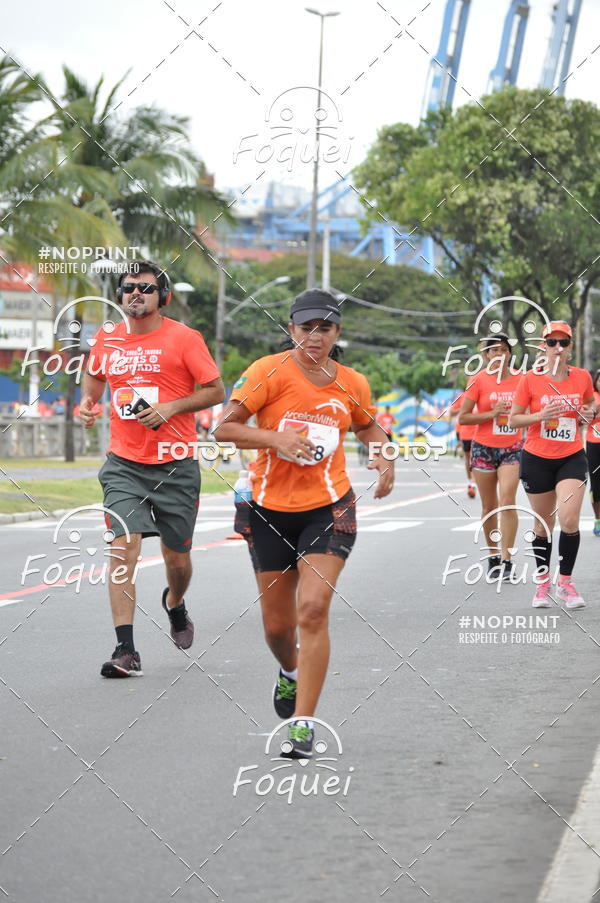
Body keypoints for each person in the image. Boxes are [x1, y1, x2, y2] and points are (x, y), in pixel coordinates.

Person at [213, 289, 394, 758]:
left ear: (338, 332)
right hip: (269, 508)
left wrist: (383, 454)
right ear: (291, 329)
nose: (316, 336)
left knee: (312, 610)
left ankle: (303, 724)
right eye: (306, 327)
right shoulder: (266, 372)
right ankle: (290, 670)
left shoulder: (352, 382)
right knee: (277, 628)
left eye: (326, 328)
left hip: (328, 507)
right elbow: (226, 428)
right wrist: (276, 439)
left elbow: (366, 424)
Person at [79, 260, 224, 677]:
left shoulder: (185, 338)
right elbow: (93, 381)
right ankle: (126, 649)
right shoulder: (107, 339)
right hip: (124, 464)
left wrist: (170, 408)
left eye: (145, 287)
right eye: (127, 288)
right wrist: (86, 406)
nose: (135, 294)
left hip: (175, 465)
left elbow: (216, 390)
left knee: (177, 559)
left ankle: (175, 604)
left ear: (164, 296)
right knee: (122, 549)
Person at [510, 321, 595, 609]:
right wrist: (540, 416)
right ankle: (543, 582)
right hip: (537, 458)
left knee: (569, 519)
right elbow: (514, 419)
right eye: (551, 342)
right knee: (544, 523)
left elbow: (591, 402)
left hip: (571, 456)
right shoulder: (529, 380)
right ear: (543, 347)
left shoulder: (582, 377)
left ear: (570, 348)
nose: (557, 347)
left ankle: (566, 583)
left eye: (563, 342)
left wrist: (590, 410)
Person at [458, 334, 523, 580]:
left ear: (509, 355)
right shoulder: (478, 380)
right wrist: (491, 414)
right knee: (489, 505)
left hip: (513, 447)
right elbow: (463, 417)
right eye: (493, 351)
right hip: (484, 448)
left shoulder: (521, 380)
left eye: (503, 350)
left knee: (507, 499)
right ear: (485, 356)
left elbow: (532, 407)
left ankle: (507, 559)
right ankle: (493, 556)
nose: (498, 354)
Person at [450, 395, 477, 497]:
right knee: (468, 459)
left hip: (478, 433)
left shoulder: (484, 394)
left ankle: (473, 484)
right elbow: (451, 413)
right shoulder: (461, 397)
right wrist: (462, 409)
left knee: (475, 459)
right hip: (465, 433)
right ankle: (470, 481)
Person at [586, 369, 600, 536]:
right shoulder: (591, 399)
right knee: (596, 485)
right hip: (594, 445)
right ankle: (598, 519)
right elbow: (581, 420)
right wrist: (594, 410)